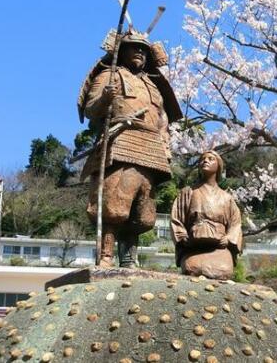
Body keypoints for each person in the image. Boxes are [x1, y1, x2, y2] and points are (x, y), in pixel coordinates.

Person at [77, 30, 182, 267]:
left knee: (142, 212)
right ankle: (105, 255)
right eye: (134, 47)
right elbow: (91, 110)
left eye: (144, 50)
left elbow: (163, 118)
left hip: (151, 148)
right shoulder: (109, 75)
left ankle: (128, 258)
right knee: (114, 203)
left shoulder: (152, 84)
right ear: (122, 51)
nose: (139, 53)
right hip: (121, 141)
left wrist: (165, 145)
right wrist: (105, 97)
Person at [170, 151, 243, 279]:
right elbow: (177, 219)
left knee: (224, 271)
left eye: (211, 159)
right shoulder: (188, 193)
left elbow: (235, 224)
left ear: (218, 166)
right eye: (202, 159)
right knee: (192, 268)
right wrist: (183, 238)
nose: (205, 161)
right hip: (194, 248)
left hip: (219, 249)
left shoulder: (227, 198)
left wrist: (228, 238)